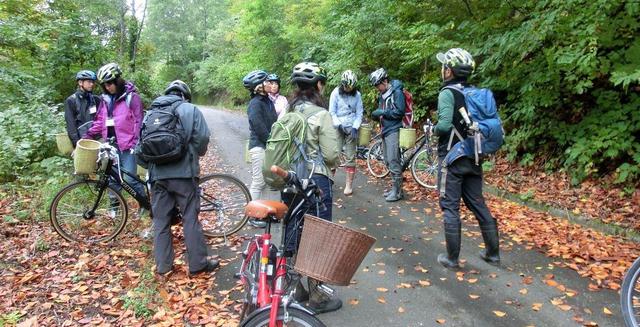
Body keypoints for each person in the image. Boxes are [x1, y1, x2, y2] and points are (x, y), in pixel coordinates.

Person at [137, 80, 219, 276]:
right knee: (190, 217)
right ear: (184, 95)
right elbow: (203, 138)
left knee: (161, 221)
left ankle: (164, 266)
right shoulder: (189, 109)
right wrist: (195, 153)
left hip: (158, 176)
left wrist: (151, 167)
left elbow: (141, 145)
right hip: (184, 174)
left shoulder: (150, 114)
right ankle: (198, 264)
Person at [432, 48, 500, 268]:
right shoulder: (474, 93)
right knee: (477, 203)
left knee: (450, 206)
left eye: (444, 66)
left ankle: (451, 258)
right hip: (474, 155)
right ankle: (493, 253)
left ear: (449, 71)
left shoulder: (447, 93)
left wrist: (432, 129)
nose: (442, 70)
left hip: (452, 158)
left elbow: (443, 125)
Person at [284, 61, 342, 314]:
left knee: (294, 230)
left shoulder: (287, 113)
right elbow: (331, 155)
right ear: (318, 86)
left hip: (290, 180)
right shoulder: (322, 115)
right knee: (318, 235)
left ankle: (294, 289)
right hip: (316, 181)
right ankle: (318, 295)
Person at [84, 63, 149, 211]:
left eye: (110, 83)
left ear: (118, 81)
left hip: (128, 146)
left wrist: (135, 143)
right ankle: (115, 208)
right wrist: (87, 135)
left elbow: (139, 122)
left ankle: (144, 206)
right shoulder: (105, 100)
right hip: (111, 145)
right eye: (104, 85)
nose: (108, 87)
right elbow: (100, 121)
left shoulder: (132, 98)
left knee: (130, 179)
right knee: (111, 178)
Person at [243, 70, 278, 228]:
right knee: (258, 181)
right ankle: (252, 215)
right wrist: (270, 141)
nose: (271, 84)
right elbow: (258, 126)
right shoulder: (255, 103)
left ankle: (263, 212)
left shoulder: (267, 101)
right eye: (267, 82)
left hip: (266, 146)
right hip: (259, 146)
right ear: (259, 86)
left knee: (264, 182)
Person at [369, 68, 406, 202]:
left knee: (393, 159)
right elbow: (382, 112)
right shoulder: (382, 95)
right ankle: (395, 189)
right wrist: (376, 115)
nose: (377, 88)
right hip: (385, 130)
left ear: (384, 81)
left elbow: (399, 112)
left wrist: (383, 113)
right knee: (387, 160)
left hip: (394, 129)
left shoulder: (397, 92)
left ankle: (397, 192)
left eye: (378, 84)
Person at [329, 70, 363, 195]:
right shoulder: (335, 93)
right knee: (334, 154)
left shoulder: (357, 95)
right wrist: (338, 124)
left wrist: (355, 126)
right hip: (338, 126)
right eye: (346, 86)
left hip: (352, 126)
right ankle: (329, 182)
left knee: (350, 156)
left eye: (351, 87)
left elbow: (359, 113)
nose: (348, 89)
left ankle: (349, 185)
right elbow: (332, 112)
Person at [64, 70, 100, 148]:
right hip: (82, 141)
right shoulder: (71, 100)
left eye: (93, 82)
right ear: (80, 83)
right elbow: (71, 125)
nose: (92, 84)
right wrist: (77, 144)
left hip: (97, 140)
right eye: (89, 82)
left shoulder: (96, 99)